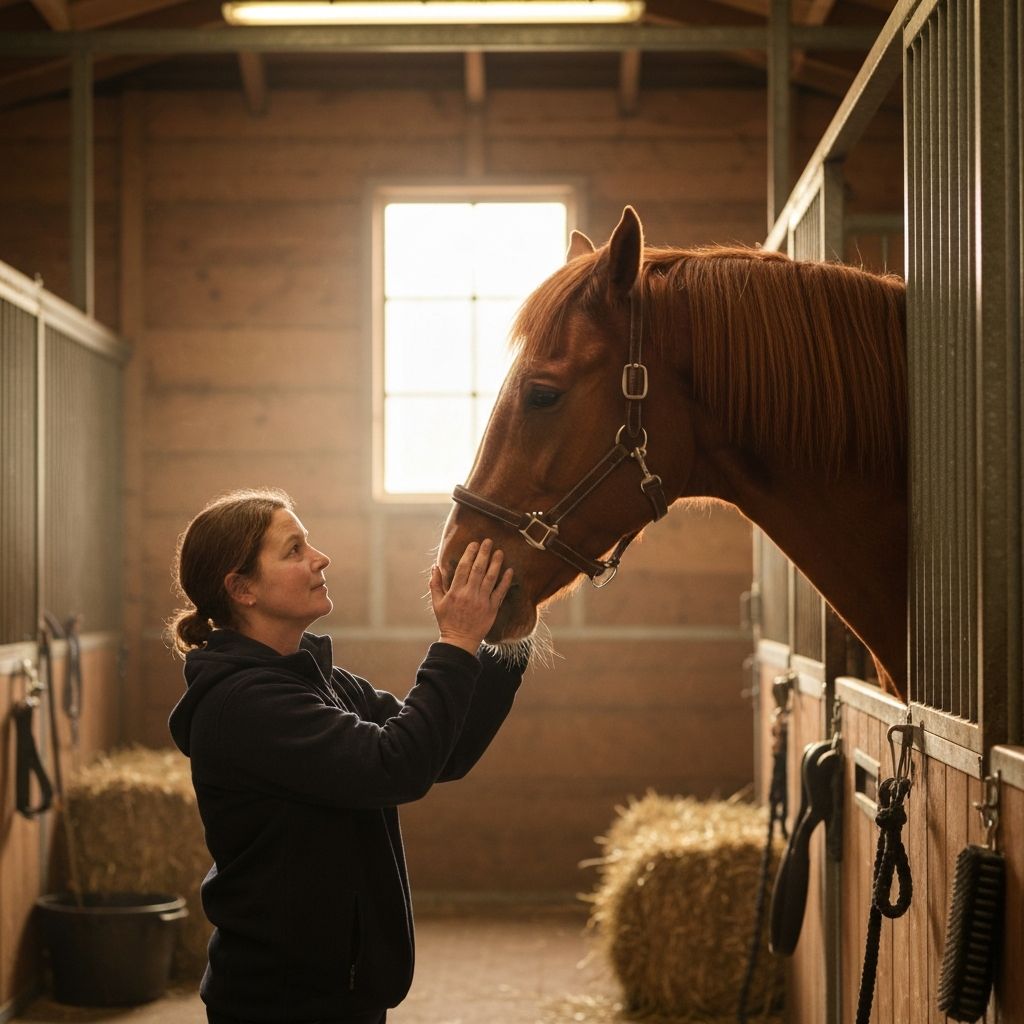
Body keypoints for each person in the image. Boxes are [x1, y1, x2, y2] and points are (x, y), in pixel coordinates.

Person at [166, 487, 526, 1024]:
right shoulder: (244, 703)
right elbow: (394, 765)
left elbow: (438, 753)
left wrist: (500, 639)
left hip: (340, 988)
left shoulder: (317, 679)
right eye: (293, 550)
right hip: (283, 1002)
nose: (319, 558)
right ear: (242, 588)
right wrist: (456, 639)